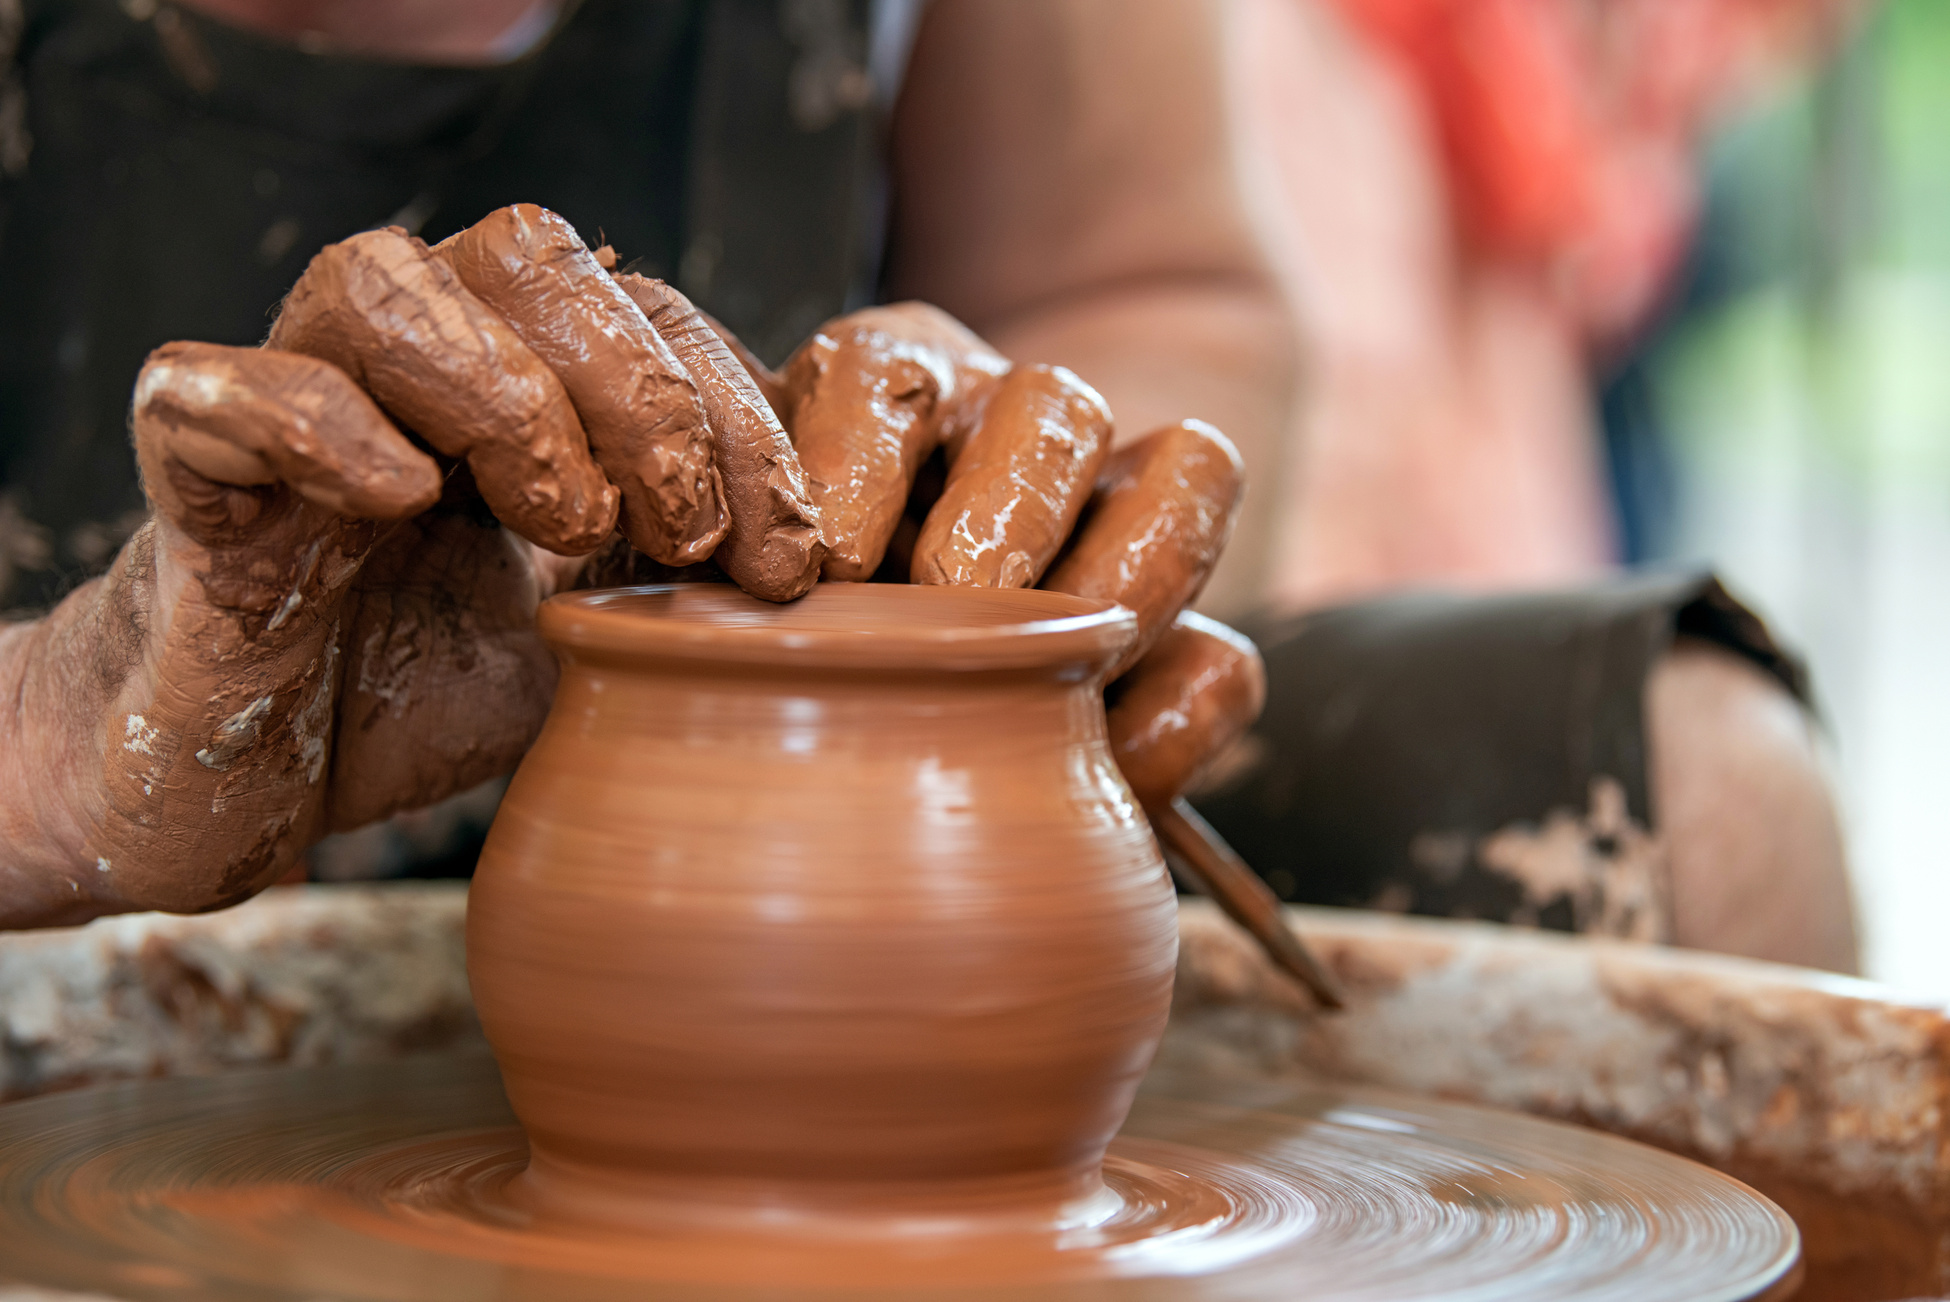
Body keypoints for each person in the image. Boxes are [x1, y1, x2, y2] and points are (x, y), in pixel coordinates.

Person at [0, 0, 1857, 972]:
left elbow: (1145, 274)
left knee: (1699, 805)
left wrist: (1000, 537)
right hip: (41, 883)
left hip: (680, 798)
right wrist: (69, 742)